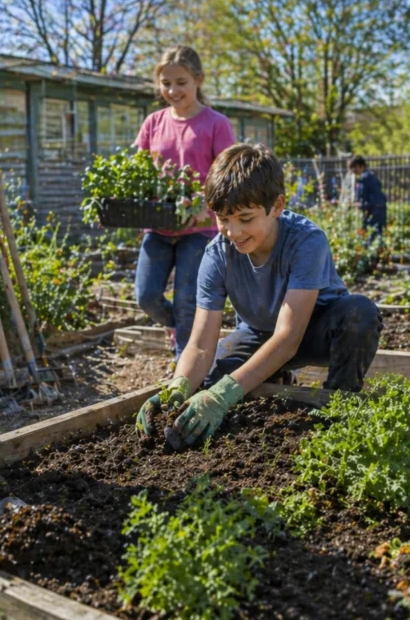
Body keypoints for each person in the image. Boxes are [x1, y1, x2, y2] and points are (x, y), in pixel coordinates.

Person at [135, 144, 383, 446]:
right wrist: (176, 388)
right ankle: (275, 376)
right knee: (211, 379)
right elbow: (200, 346)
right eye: (223, 218)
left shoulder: (306, 242)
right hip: (259, 334)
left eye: (245, 218)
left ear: (276, 206)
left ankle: (338, 409)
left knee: (360, 313)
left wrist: (224, 396)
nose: (233, 231)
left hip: (316, 332)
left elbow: (289, 338)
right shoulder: (217, 255)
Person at [134, 46, 237, 360]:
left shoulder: (216, 124)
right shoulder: (153, 123)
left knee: (186, 301)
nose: (172, 90)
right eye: (166, 83)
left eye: (181, 82)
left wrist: (210, 206)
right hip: (159, 224)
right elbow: (136, 172)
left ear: (198, 80)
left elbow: (227, 174)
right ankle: (179, 327)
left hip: (200, 228)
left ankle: (184, 368)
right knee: (146, 296)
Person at [348, 155, 387, 238]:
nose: (353, 171)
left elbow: (369, 197)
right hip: (378, 209)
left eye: (354, 168)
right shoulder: (371, 176)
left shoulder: (366, 178)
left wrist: (361, 205)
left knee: (371, 235)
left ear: (360, 166)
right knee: (376, 233)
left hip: (374, 210)